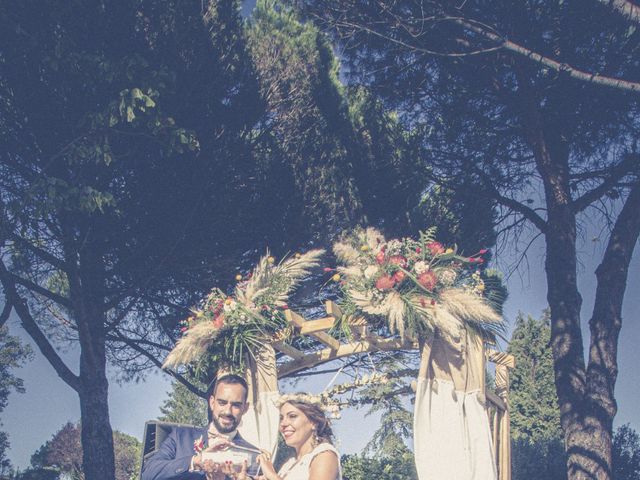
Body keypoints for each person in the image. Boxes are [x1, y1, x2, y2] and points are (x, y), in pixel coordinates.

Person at [142, 374, 260, 480]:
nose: (227, 411)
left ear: (245, 408)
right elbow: (148, 473)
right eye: (222, 403)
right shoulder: (180, 436)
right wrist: (196, 461)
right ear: (212, 403)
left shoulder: (254, 456)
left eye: (236, 405)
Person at [253, 394, 341, 480]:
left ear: (314, 422)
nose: (283, 424)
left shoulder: (325, 455)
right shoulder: (289, 464)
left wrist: (273, 476)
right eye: (281, 418)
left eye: (292, 416)